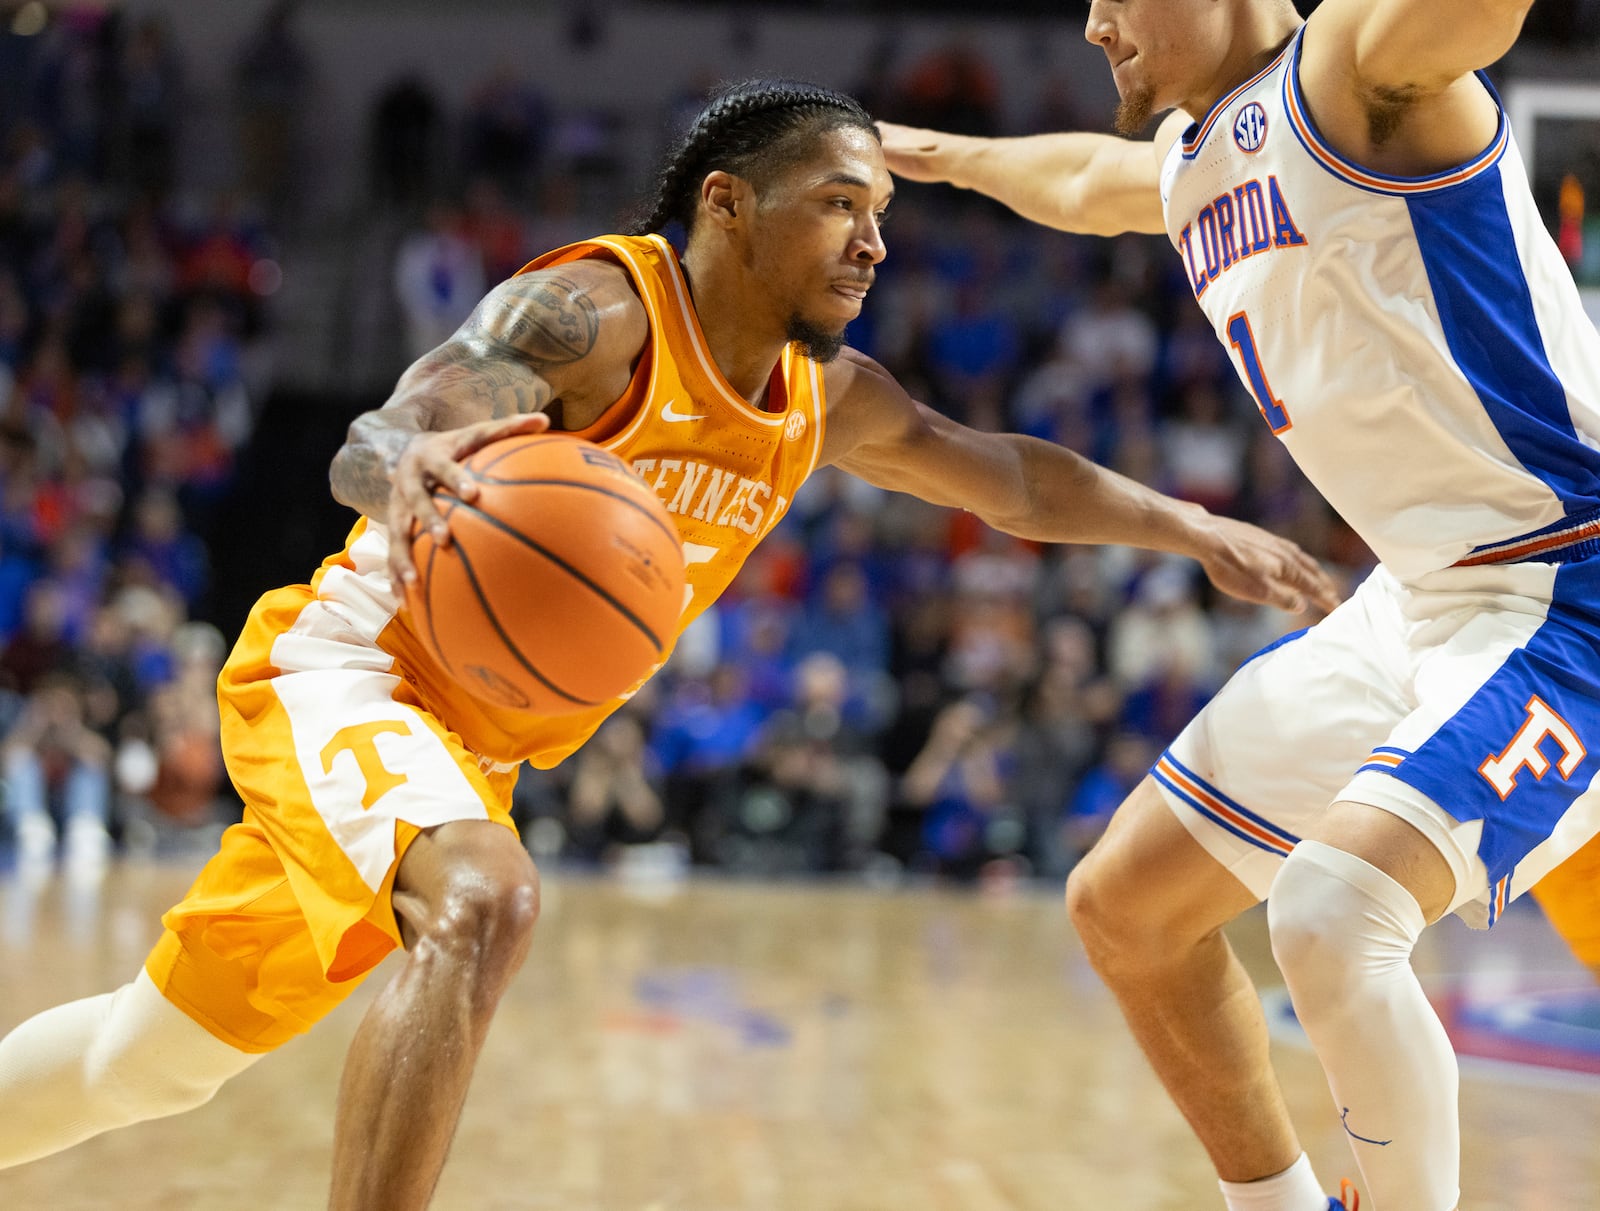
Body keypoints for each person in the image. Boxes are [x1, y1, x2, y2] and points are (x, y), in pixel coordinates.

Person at [0, 79, 1335, 1211]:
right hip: (349, 669)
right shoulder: (604, 310)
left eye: (881, 216)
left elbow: (1010, 479)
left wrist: (1196, 527)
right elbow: (405, 414)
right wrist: (405, 461)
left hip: (476, 750)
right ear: (726, 204)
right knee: (484, 903)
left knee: (154, 1057)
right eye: (840, 204)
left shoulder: (821, 398)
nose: (873, 242)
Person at [879, 3, 1600, 1210]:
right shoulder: (1191, 160)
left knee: (1330, 911)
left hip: (1566, 585)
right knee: (1126, 908)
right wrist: (933, 154)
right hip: (1420, 601)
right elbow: (1077, 176)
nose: (1095, 22)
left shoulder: (1360, 66)